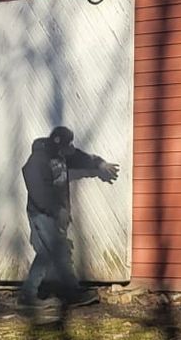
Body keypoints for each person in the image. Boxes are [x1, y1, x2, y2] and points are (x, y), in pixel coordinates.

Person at [21, 125, 119, 309]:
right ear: (58, 144)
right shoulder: (38, 159)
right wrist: (55, 210)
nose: (70, 149)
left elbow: (79, 157)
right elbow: (35, 187)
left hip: (53, 213)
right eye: (68, 145)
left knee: (46, 254)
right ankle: (73, 294)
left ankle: (27, 296)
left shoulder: (62, 154)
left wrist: (100, 164)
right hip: (42, 213)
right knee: (59, 251)